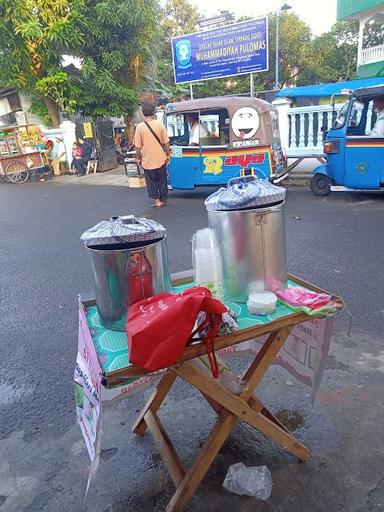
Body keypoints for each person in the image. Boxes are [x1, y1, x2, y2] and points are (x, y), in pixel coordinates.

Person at [134, 102, 171, 208]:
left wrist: (138, 158)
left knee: (151, 182)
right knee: (162, 180)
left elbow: (138, 146)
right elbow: (166, 143)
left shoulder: (140, 127)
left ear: (143, 113)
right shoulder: (160, 124)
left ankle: (157, 200)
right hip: (160, 158)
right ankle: (163, 199)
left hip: (147, 160)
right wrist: (168, 154)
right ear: (153, 112)